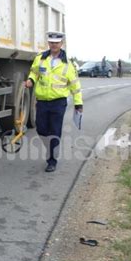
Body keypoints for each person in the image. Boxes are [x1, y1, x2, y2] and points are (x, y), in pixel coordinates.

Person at [24, 31, 83, 172]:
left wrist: (78, 103)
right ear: (48, 43)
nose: (54, 45)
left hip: (58, 102)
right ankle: (50, 147)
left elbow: (75, 85)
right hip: (42, 100)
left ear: (61, 44)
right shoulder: (41, 58)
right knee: (41, 129)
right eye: (51, 42)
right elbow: (34, 72)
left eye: (56, 43)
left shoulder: (68, 64)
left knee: (55, 131)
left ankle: (52, 160)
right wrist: (31, 80)